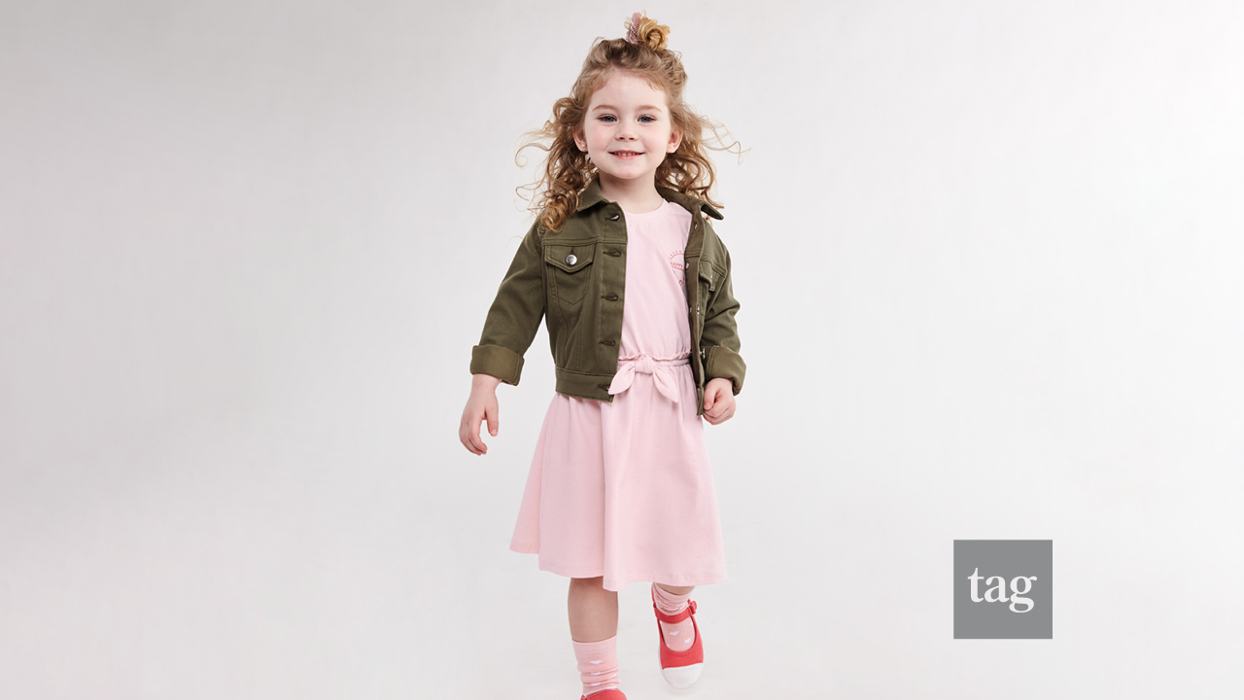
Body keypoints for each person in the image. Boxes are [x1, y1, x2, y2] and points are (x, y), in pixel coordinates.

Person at [458, 12, 746, 700]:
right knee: (590, 563)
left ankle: (674, 606)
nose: (626, 131)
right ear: (580, 134)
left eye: (646, 118)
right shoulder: (557, 229)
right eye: (608, 117)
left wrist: (724, 374)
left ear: (672, 136)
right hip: (588, 415)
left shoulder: (694, 231)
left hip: (668, 411)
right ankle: (601, 684)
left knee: (677, 546)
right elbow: (514, 306)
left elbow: (721, 316)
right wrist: (485, 382)